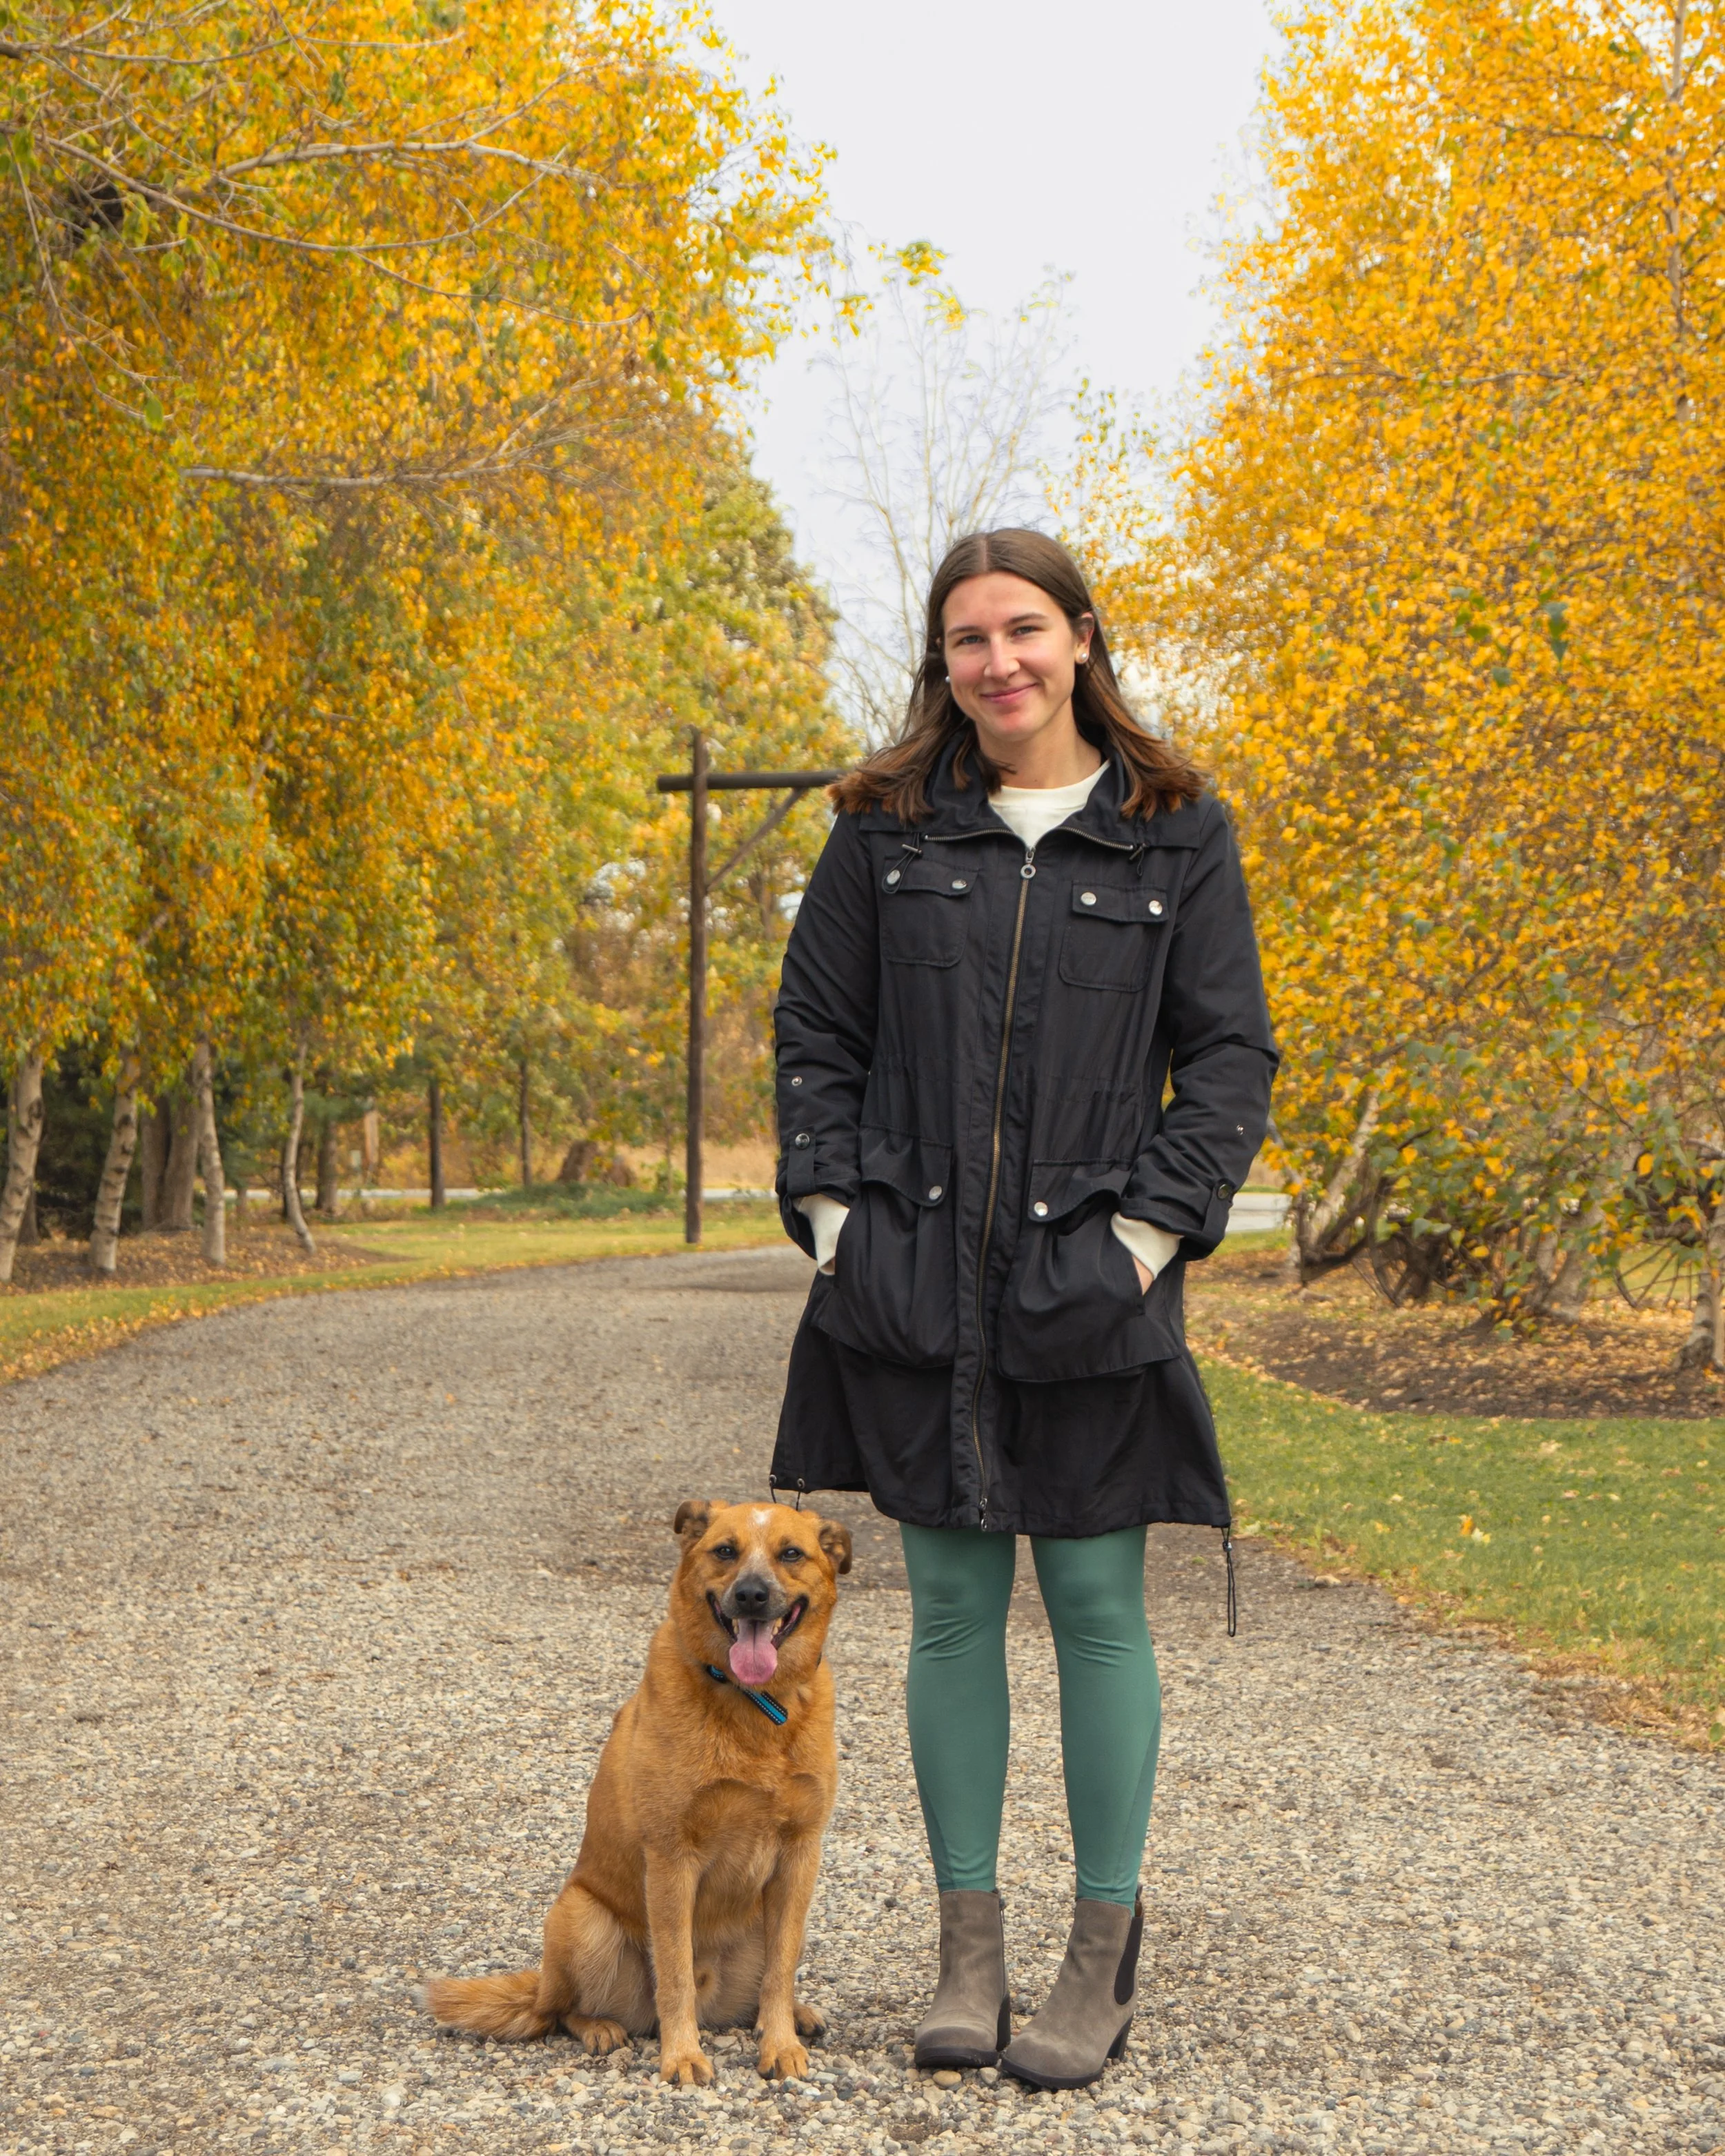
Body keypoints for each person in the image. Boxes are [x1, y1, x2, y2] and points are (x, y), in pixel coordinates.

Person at [769, 528, 1276, 2091]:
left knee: (1100, 1611)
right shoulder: (880, 832)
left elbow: (1231, 1060)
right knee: (946, 1613)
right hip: (914, 1282)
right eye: (966, 640)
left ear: (1077, 638)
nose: (997, 662)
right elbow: (814, 1035)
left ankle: (1093, 1959)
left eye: (1022, 630)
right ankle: (964, 1953)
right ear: (943, 664)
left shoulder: (1173, 833)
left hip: (1084, 1284)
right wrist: (845, 1226)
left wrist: (1138, 1239)